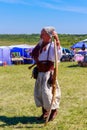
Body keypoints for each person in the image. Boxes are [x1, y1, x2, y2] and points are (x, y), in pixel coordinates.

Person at [31, 26, 61, 122]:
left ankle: (53, 111)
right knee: (40, 93)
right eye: (41, 33)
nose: (41, 35)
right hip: (40, 73)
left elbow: (59, 56)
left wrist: (57, 40)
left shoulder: (53, 46)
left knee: (48, 93)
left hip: (48, 74)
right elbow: (34, 55)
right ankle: (45, 113)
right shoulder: (40, 45)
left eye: (43, 34)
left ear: (49, 36)